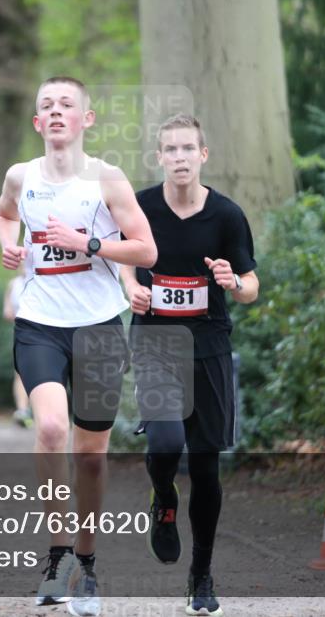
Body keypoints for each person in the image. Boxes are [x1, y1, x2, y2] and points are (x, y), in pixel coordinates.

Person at [0, 76, 157, 616]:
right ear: (38, 123)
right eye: (47, 106)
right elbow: (4, 215)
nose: (56, 111)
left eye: (67, 104)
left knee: (91, 456)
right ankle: (58, 554)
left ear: (86, 119)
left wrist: (87, 242)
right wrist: (8, 246)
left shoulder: (107, 179)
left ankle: (86, 562)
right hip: (39, 321)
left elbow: (146, 249)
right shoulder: (20, 176)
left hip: (99, 326)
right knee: (50, 428)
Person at [120, 114, 258, 617]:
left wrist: (231, 282)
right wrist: (130, 286)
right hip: (157, 343)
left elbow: (250, 287)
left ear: (203, 155)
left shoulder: (226, 215)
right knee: (164, 444)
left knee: (204, 465)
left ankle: (201, 575)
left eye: (187, 149)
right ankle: (162, 498)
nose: (178, 157)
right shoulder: (140, 206)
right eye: (169, 149)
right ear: (159, 157)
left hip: (210, 347)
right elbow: (121, 255)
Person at [2, 272, 33, 427]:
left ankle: (39, 411)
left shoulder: (41, 279)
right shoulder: (13, 284)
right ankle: (23, 410)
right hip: (21, 331)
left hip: (45, 331)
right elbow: (7, 312)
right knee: (20, 372)